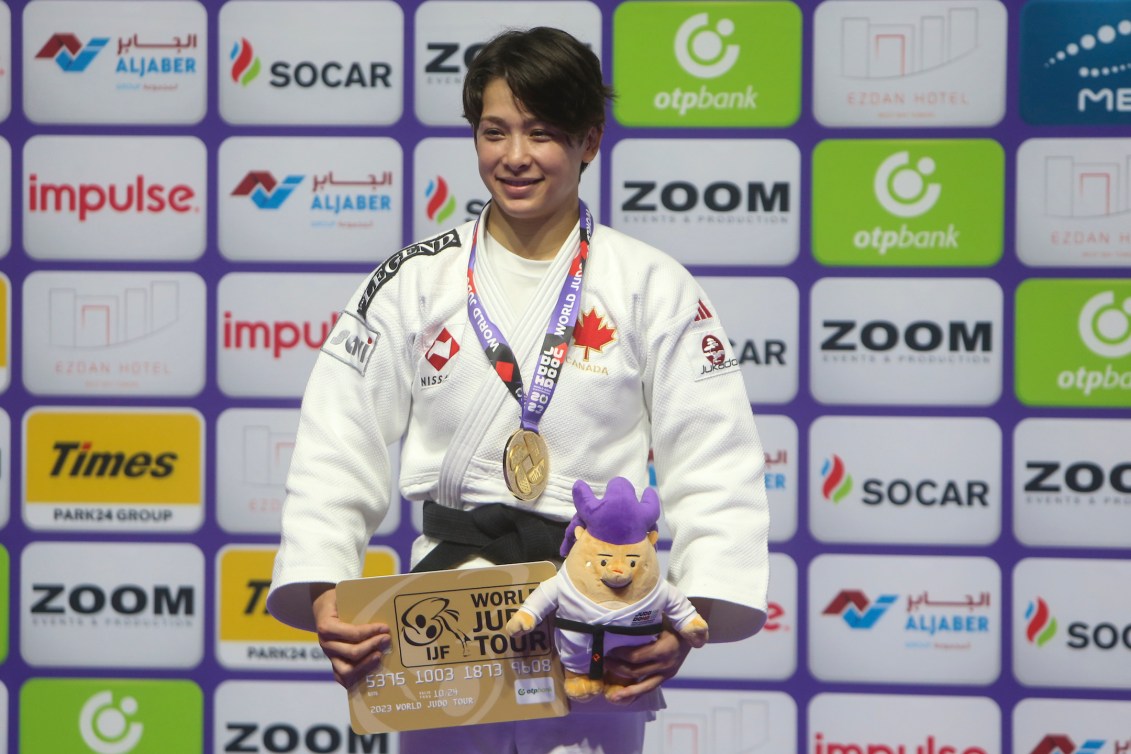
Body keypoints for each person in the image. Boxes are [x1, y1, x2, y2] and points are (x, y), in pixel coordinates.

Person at [266, 26, 770, 754]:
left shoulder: (650, 285)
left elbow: (715, 459)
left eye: (541, 133)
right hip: (444, 616)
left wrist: (679, 620)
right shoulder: (414, 281)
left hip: (598, 615)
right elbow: (334, 444)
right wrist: (325, 591)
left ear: (589, 141)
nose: (514, 157)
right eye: (493, 132)